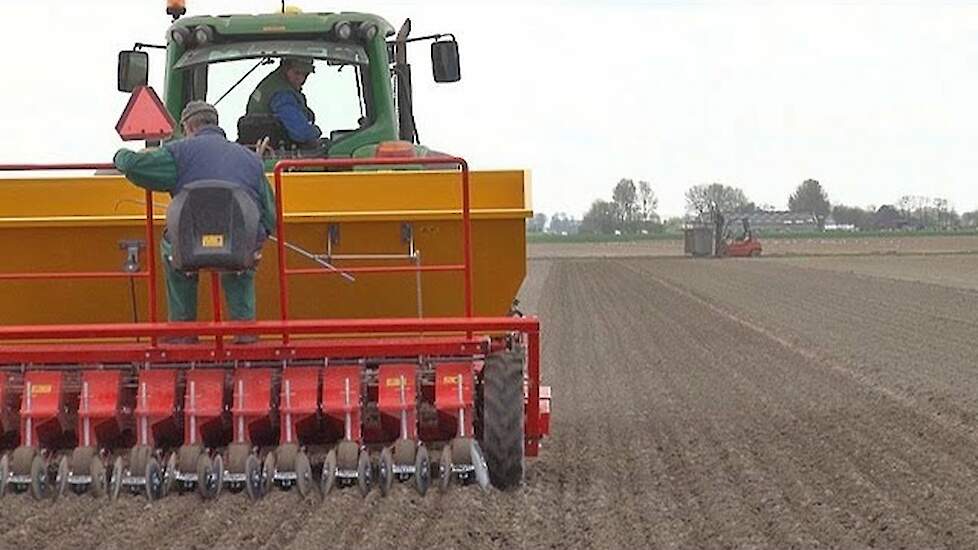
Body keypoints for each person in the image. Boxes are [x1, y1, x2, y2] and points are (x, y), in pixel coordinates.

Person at [113, 101, 277, 344]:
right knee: (241, 262)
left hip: (190, 247)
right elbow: (270, 214)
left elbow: (134, 166)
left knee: (173, 249)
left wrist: (121, 156)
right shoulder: (251, 160)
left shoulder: (179, 153)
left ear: (188, 126)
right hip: (238, 246)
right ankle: (246, 335)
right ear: (216, 124)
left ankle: (183, 333)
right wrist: (258, 240)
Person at [246, 57, 322, 147]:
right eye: (297, 73)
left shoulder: (272, 84)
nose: (301, 80)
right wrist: (316, 131)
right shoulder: (282, 94)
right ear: (286, 68)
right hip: (276, 151)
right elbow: (301, 133)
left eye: (305, 74)